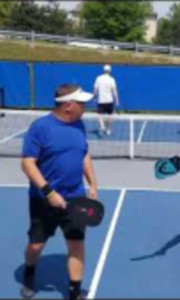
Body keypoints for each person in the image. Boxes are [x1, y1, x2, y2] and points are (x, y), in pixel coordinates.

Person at [21, 84, 98, 299]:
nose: (85, 106)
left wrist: (92, 183)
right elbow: (28, 164)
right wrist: (49, 193)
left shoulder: (79, 125)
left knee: (76, 243)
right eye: (82, 103)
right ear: (68, 105)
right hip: (42, 200)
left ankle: (74, 292)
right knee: (36, 245)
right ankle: (29, 271)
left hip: (75, 197)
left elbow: (83, 154)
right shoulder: (40, 128)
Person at [93, 64, 119, 136]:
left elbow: (95, 89)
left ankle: (102, 126)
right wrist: (116, 100)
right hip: (109, 101)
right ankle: (108, 130)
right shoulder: (112, 79)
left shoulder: (98, 78)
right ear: (110, 71)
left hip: (101, 100)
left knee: (100, 115)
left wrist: (94, 97)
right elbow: (114, 90)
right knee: (110, 115)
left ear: (104, 70)